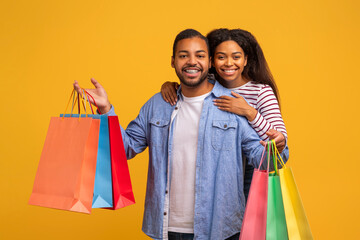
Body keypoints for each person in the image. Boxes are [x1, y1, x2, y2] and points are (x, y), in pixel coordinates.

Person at [74, 29, 289, 240]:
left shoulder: (232, 105)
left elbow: (265, 161)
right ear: (173, 61)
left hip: (220, 230)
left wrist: (276, 149)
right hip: (165, 228)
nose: (192, 61)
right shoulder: (157, 105)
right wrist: (105, 109)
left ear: (209, 62)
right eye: (183, 55)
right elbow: (124, 148)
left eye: (200, 55)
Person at [160, 28, 287, 200]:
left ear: (245, 60)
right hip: (218, 168)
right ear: (212, 61)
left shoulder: (260, 91)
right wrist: (170, 85)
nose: (229, 63)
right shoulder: (209, 84)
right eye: (221, 57)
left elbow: (279, 138)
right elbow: (189, 83)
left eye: (236, 57)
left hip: (253, 167)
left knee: (251, 223)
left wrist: (249, 112)